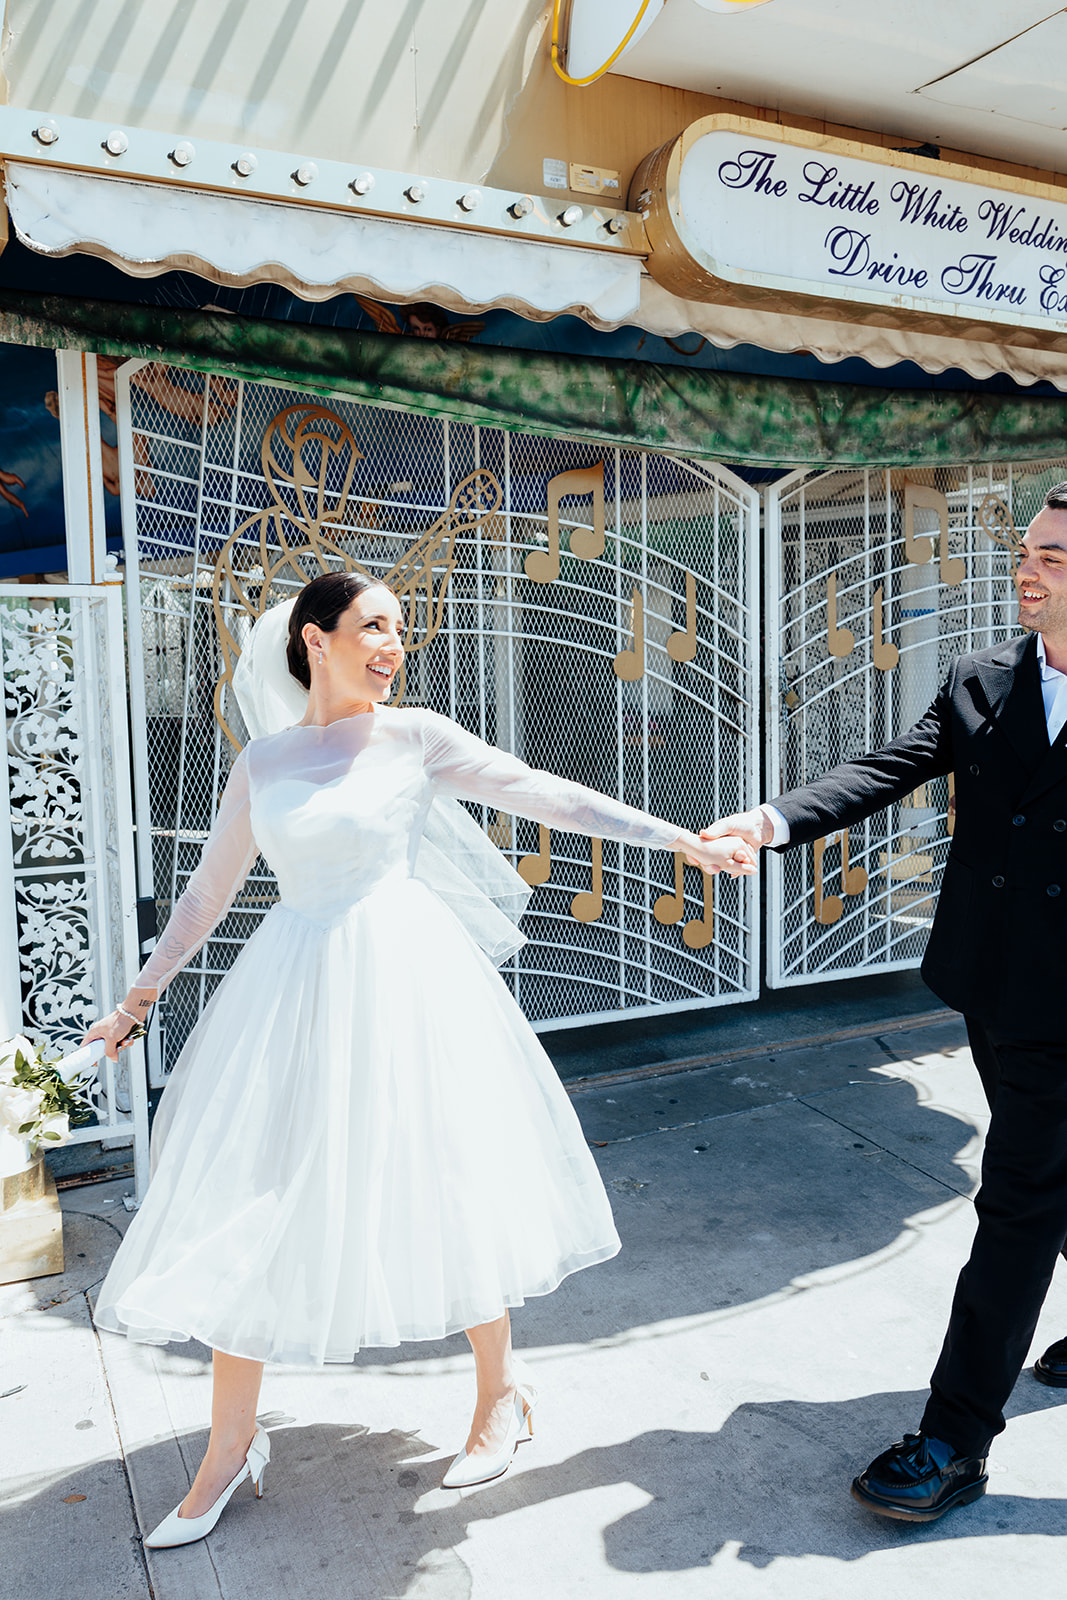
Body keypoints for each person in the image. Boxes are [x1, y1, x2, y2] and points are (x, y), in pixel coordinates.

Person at [86, 570, 755, 1549]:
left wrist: (675, 840)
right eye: (372, 626)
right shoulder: (264, 762)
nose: (393, 645)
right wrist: (138, 998)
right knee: (253, 1195)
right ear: (314, 638)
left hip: (406, 980)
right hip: (292, 990)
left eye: (400, 629)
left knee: (441, 1171)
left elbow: (544, 794)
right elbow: (204, 899)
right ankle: (231, 1448)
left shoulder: (416, 735)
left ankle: (500, 1395)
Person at [703, 480, 1067, 1522]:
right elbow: (886, 766)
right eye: (1025, 549)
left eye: (1049, 554)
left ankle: (952, 1438)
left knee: (1019, 1201)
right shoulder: (979, 681)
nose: (1025, 566)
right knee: (1043, 1170)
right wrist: (770, 820)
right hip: (990, 983)